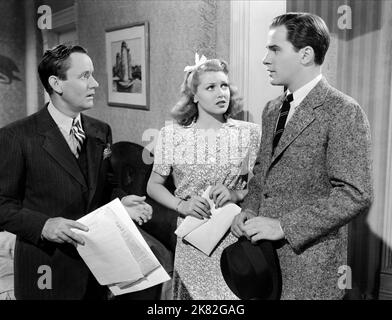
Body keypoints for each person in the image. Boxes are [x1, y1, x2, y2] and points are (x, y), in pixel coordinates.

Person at [231, 12, 373, 299]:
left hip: (309, 269)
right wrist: (248, 210)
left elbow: (355, 193)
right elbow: (262, 177)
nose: (265, 59)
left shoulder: (343, 111)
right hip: (263, 263)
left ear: (305, 54)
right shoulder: (272, 109)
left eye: (275, 49)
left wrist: (283, 226)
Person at [0, 44, 153, 300]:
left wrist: (120, 201)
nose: (94, 83)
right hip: (45, 267)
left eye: (92, 75)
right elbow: (2, 204)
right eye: (84, 76)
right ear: (56, 84)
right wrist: (44, 225)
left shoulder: (100, 130)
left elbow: (105, 185)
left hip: (94, 266)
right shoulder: (16, 136)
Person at [147, 55, 261, 299]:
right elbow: (153, 186)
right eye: (211, 87)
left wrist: (236, 193)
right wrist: (182, 204)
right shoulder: (172, 135)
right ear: (194, 95)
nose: (221, 93)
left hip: (234, 237)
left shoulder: (248, 133)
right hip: (193, 238)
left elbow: (261, 186)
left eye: (224, 86)